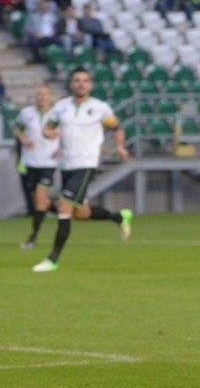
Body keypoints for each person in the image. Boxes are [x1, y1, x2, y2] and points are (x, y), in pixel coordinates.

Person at [31, 69, 133, 272]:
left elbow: (117, 127)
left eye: (85, 80)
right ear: (71, 84)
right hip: (66, 166)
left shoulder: (100, 108)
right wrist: (49, 133)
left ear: (90, 85)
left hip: (86, 164)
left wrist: (120, 146)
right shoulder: (61, 107)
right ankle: (120, 217)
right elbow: (47, 128)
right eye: (77, 80)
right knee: (81, 214)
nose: (81, 84)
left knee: (64, 207)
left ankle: (52, 259)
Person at [13, 83, 59, 249]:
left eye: (44, 94)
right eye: (39, 94)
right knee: (39, 201)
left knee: (40, 198)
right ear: (35, 96)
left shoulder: (57, 114)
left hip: (48, 162)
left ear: (50, 96)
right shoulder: (26, 113)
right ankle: (62, 211)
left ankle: (32, 237)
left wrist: (61, 148)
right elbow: (17, 129)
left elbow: (66, 133)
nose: (41, 97)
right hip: (30, 161)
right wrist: (23, 138)